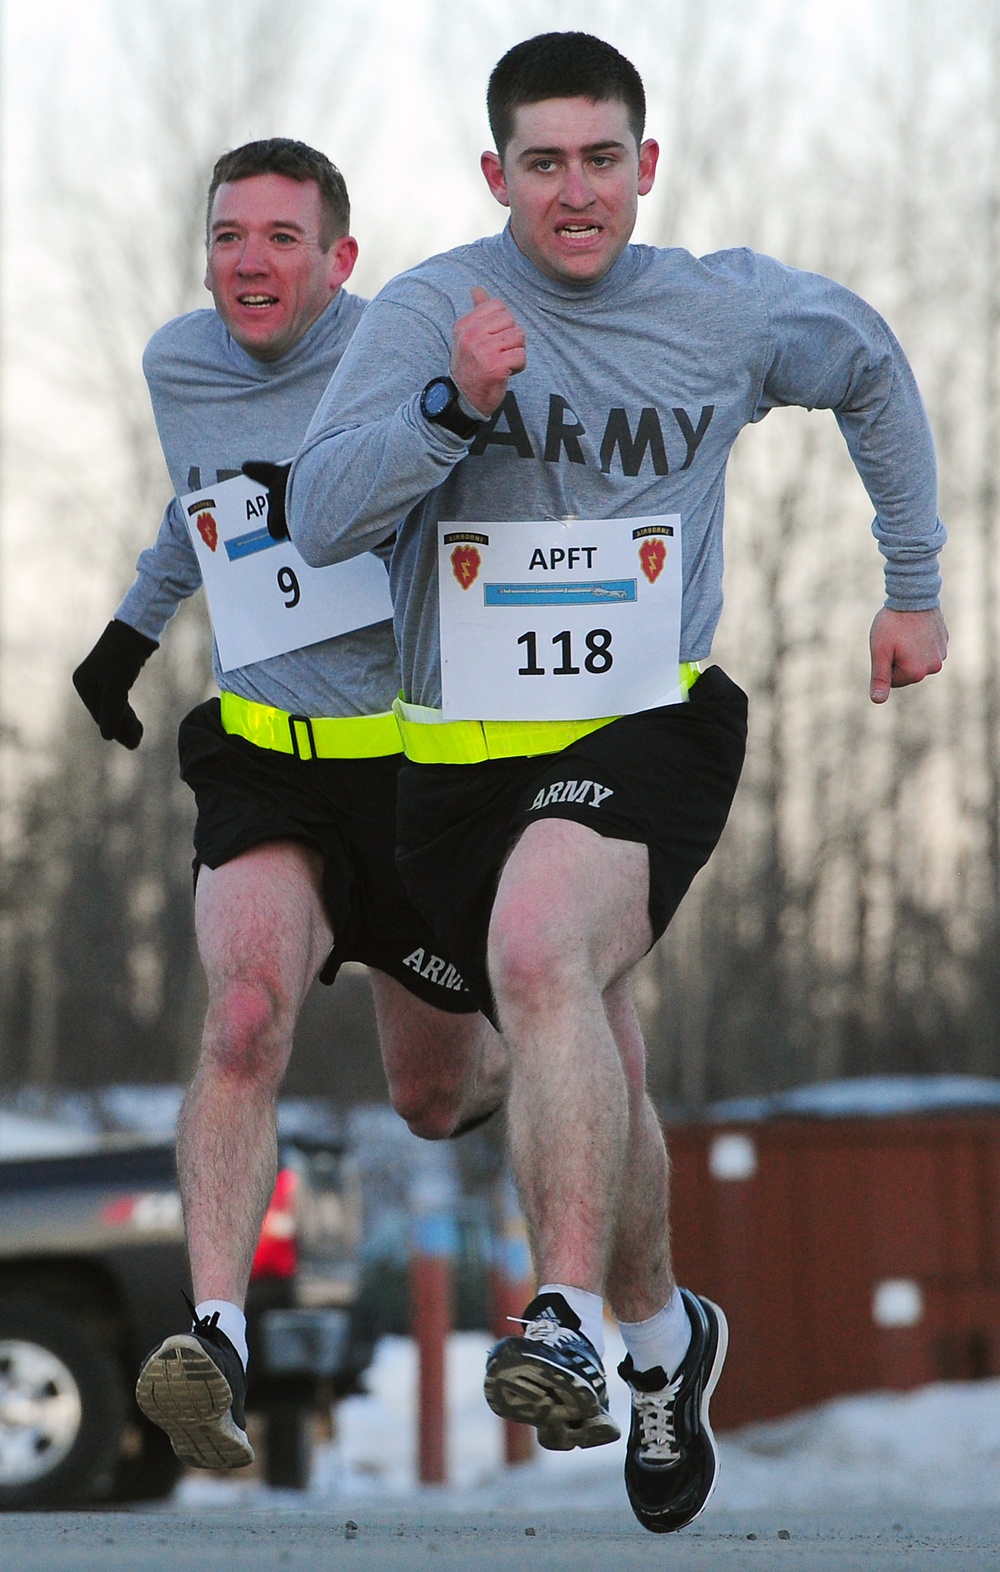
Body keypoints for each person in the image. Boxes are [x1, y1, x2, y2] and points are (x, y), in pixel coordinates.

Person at [276, 32, 947, 1534]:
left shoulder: (720, 309)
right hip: (454, 753)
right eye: (542, 162)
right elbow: (316, 516)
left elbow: (873, 368)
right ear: (495, 174)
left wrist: (913, 583)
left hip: (649, 717)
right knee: (469, 1076)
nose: (573, 191)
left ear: (646, 164)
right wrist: (450, 405)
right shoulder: (436, 311)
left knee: (540, 954)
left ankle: (566, 1313)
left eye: (600, 158)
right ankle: (665, 1340)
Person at [72, 138, 505, 1473]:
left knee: (434, 1099)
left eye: (280, 239)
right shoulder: (177, 363)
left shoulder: (399, 354)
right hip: (268, 755)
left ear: (339, 259)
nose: (249, 262)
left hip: (418, 772)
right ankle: (213, 1336)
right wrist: (133, 631)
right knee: (244, 1017)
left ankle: (532, 1013)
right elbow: (200, 505)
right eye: (229, 236)